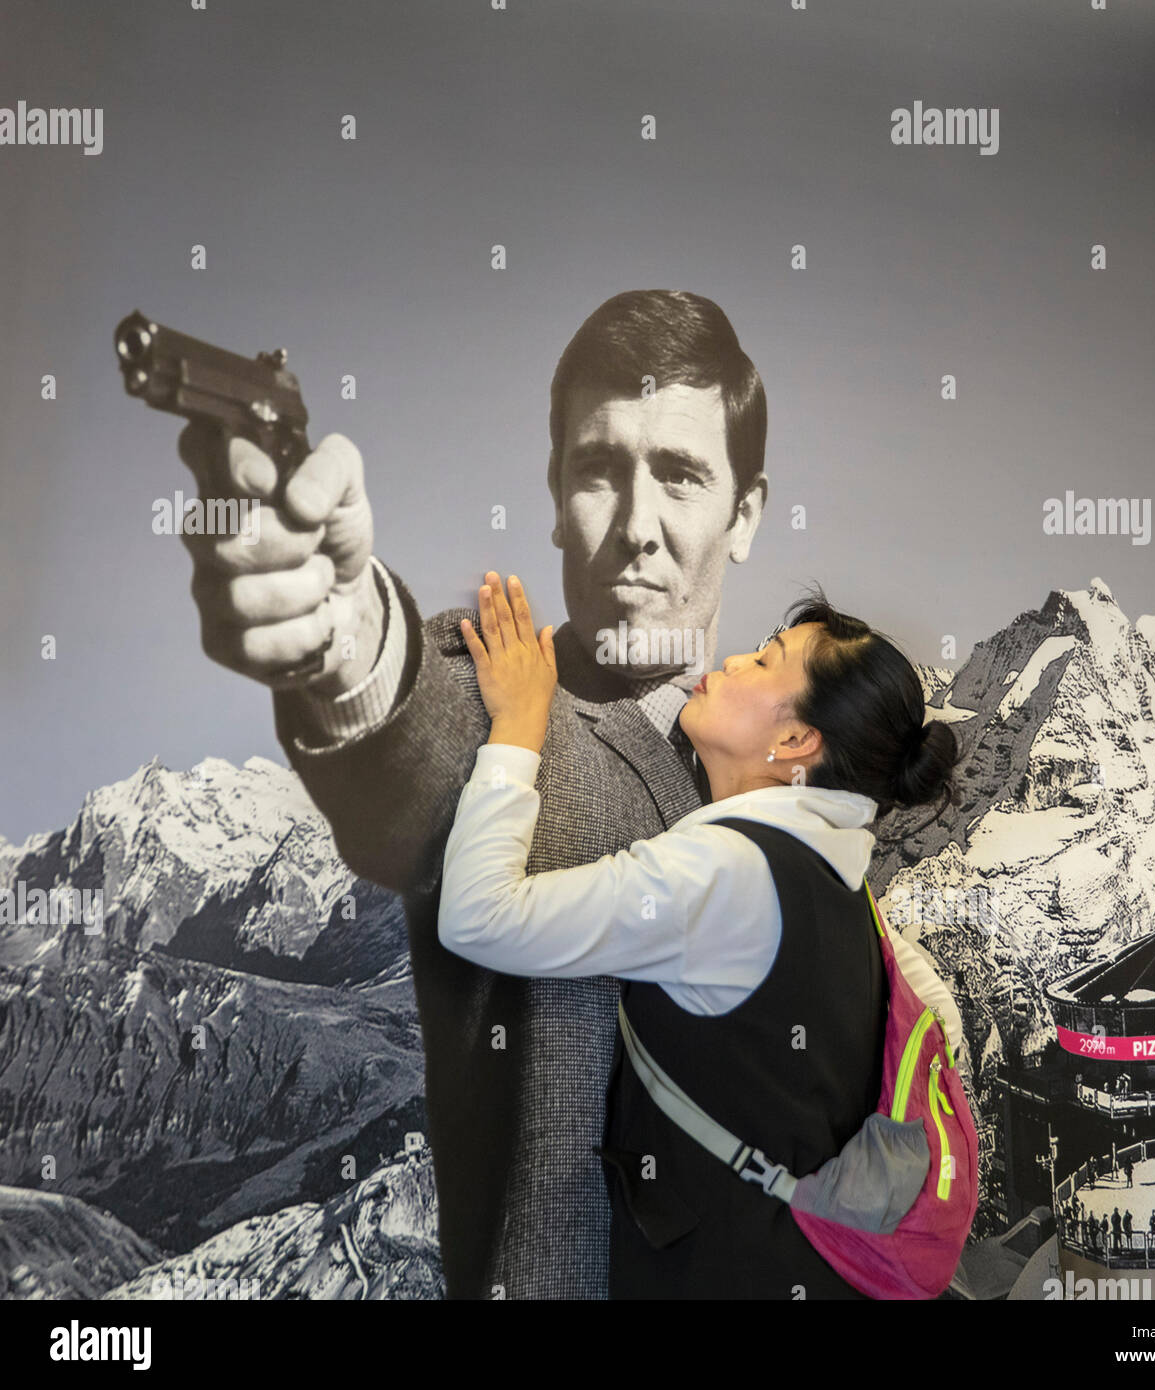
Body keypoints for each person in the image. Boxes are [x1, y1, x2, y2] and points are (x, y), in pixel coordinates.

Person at [173, 288, 962, 1297]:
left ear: (745, 511)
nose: (636, 524)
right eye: (599, 470)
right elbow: (411, 722)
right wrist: (336, 627)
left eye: (679, 475)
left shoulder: (795, 796)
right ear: (553, 492)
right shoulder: (503, 691)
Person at [436, 572, 964, 1296]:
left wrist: (519, 724)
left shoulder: (725, 872)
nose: (734, 661)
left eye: (765, 659)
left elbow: (480, 915)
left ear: (794, 739)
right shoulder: (843, 886)